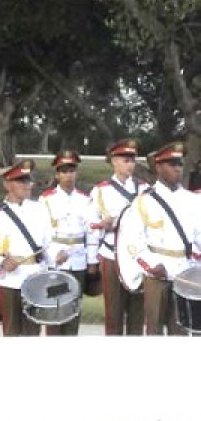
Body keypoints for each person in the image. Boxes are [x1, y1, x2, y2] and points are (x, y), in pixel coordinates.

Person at [117, 142, 201, 335]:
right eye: (172, 164)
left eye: (179, 164)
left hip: (185, 270)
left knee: (180, 327)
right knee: (154, 327)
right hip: (157, 271)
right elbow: (132, 240)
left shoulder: (193, 200)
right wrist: (151, 265)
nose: (177, 169)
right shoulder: (144, 201)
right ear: (158, 167)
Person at [0, 160, 53, 336]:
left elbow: (50, 243)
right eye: (21, 181)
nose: (27, 185)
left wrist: (57, 256)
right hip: (8, 279)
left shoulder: (40, 209)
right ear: (7, 184)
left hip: (35, 275)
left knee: (32, 330)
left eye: (28, 181)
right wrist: (1, 262)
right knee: (11, 330)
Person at [88, 139, 147, 335]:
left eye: (132, 159)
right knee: (113, 311)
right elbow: (91, 225)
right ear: (114, 161)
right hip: (111, 254)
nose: (130, 164)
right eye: (125, 159)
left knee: (137, 312)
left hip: (136, 255)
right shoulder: (101, 190)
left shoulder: (143, 189)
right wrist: (92, 261)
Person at [38, 150, 97, 335]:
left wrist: (92, 261)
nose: (68, 175)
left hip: (78, 259)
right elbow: (43, 232)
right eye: (63, 171)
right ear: (57, 174)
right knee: (55, 307)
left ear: (76, 173)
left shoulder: (85, 199)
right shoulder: (46, 199)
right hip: (56, 260)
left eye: (71, 171)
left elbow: (91, 232)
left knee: (73, 308)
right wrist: (55, 254)